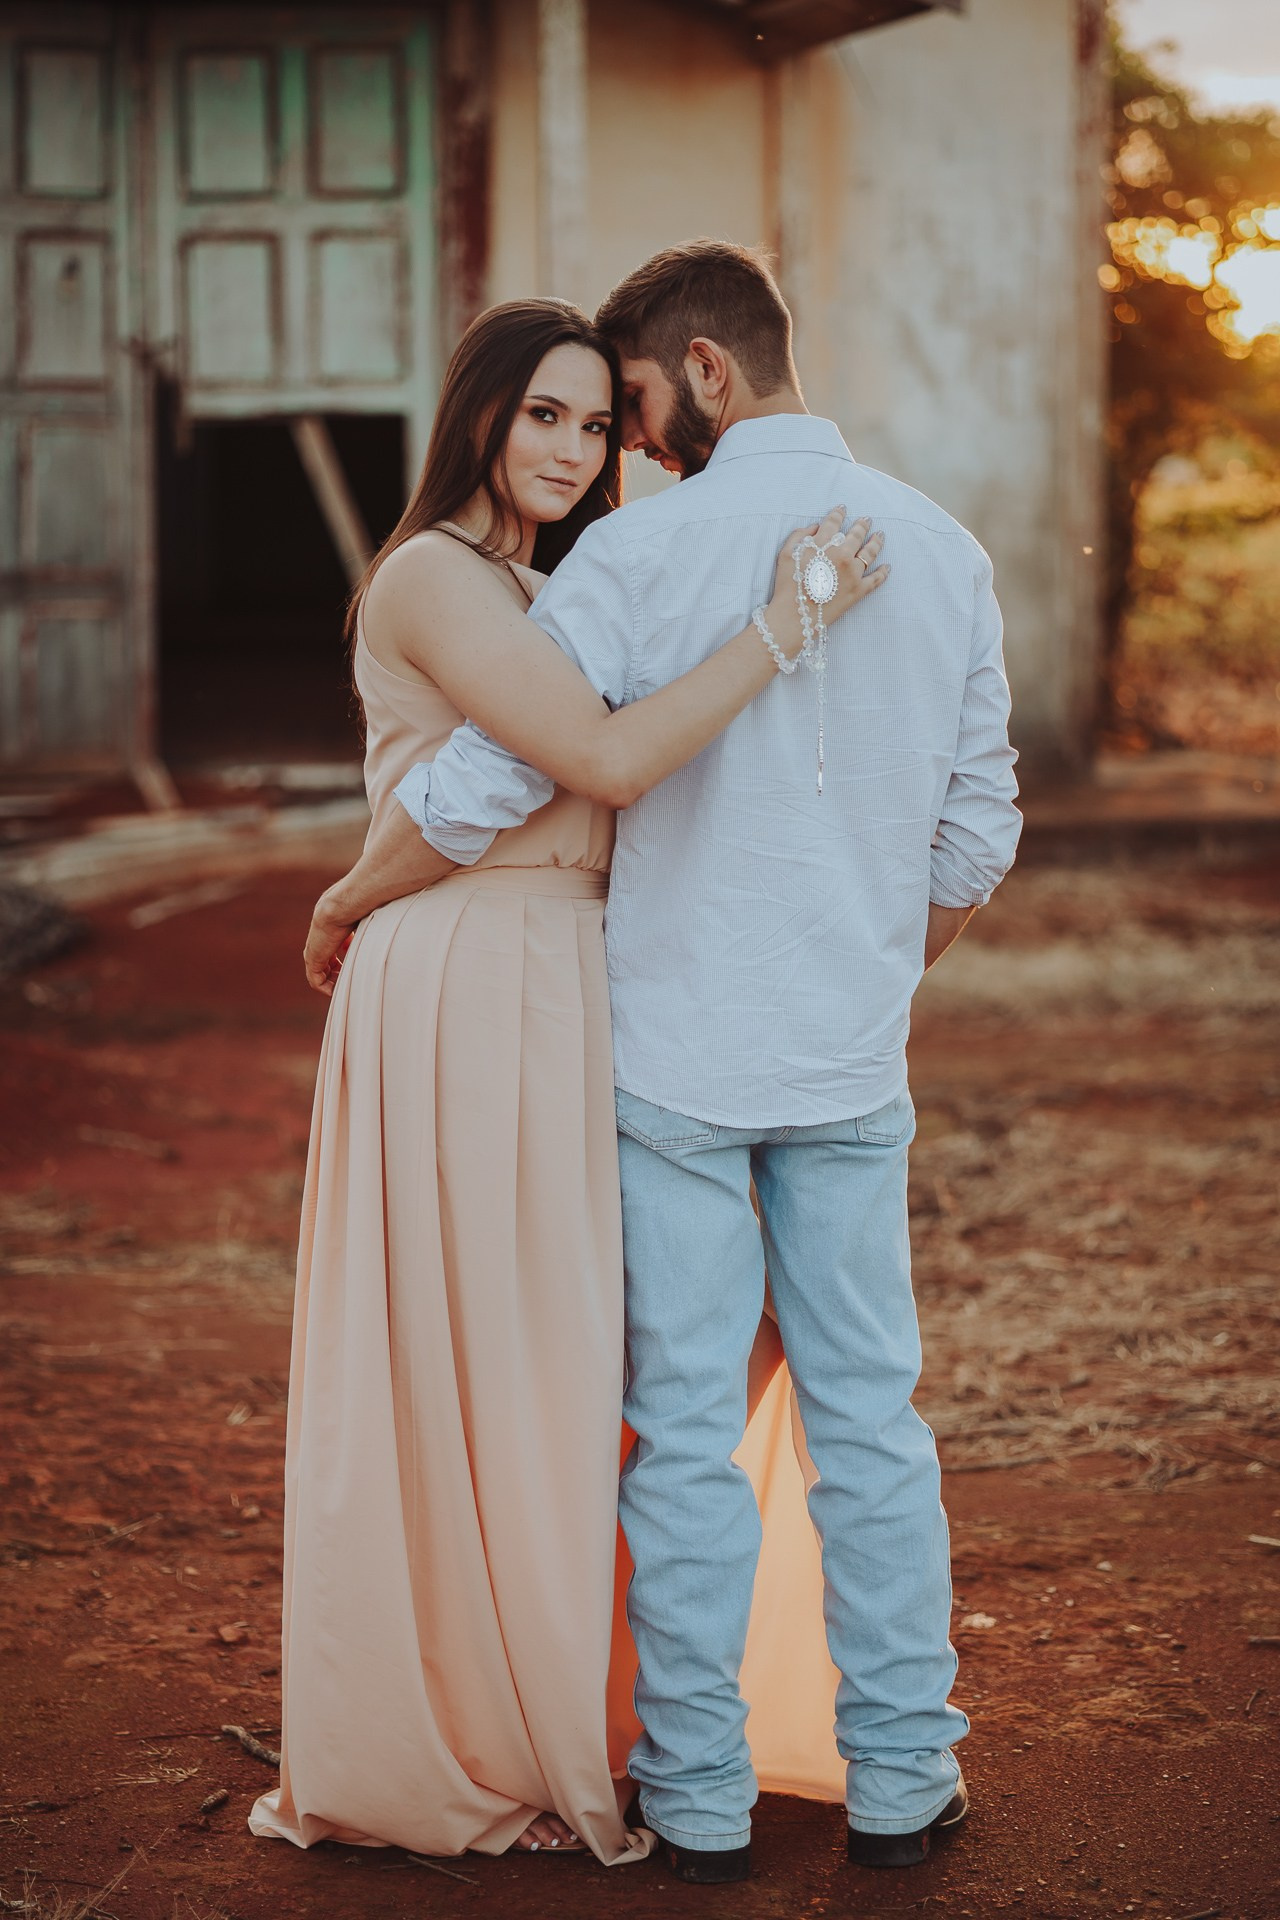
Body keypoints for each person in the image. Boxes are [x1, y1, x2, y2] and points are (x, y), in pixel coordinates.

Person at [307, 241, 1023, 1885]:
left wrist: (351, 893)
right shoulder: (949, 549)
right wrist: (867, 977)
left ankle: (696, 1798)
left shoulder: (644, 555)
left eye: (628, 409)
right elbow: (976, 836)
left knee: (681, 1423)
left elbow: (494, 784)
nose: (621, 451)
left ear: (702, 373)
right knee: (871, 1413)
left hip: (668, 1065)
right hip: (845, 1064)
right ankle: (906, 1785)